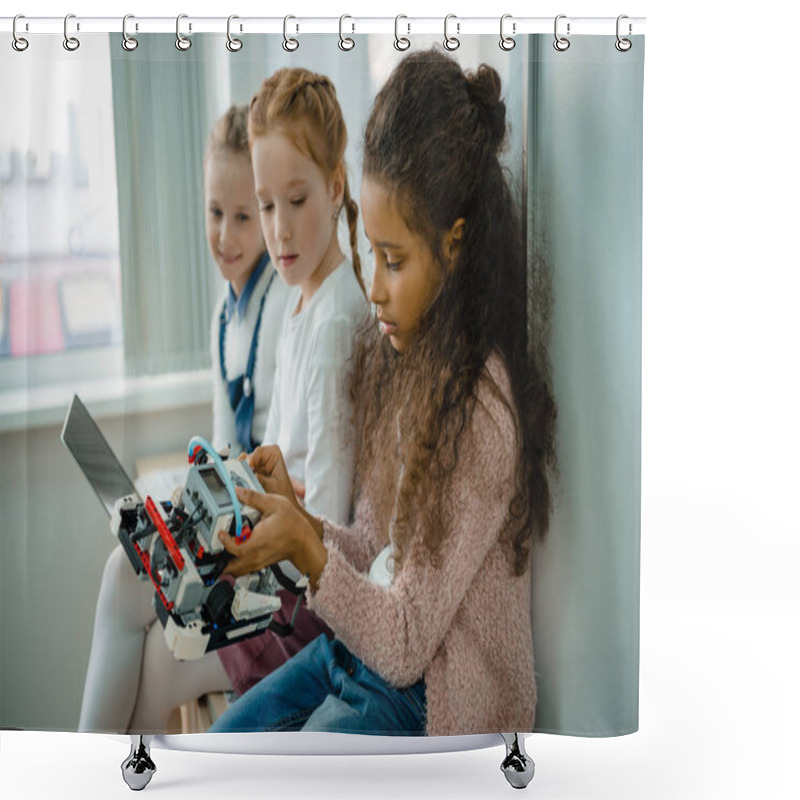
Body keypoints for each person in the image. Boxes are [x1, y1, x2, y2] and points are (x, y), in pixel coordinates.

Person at [208, 49, 558, 737]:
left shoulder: (482, 412)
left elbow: (406, 641)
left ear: (455, 247)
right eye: (371, 253)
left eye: (394, 260)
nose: (374, 285)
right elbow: (371, 545)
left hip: (428, 699)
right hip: (360, 654)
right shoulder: (407, 360)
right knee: (219, 750)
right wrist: (299, 522)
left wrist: (307, 556)